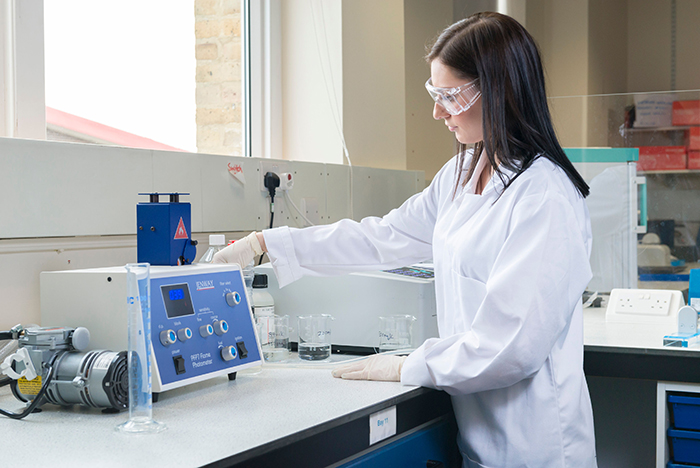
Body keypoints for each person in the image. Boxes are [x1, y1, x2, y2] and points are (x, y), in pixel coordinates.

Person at [215, 11, 597, 468]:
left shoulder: (545, 196)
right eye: (434, 93)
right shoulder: (461, 172)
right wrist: (268, 243)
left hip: (536, 447)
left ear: (501, 90)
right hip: (478, 434)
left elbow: (511, 346)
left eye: (450, 95)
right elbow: (384, 237)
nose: (437, 111)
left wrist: (408, 365)